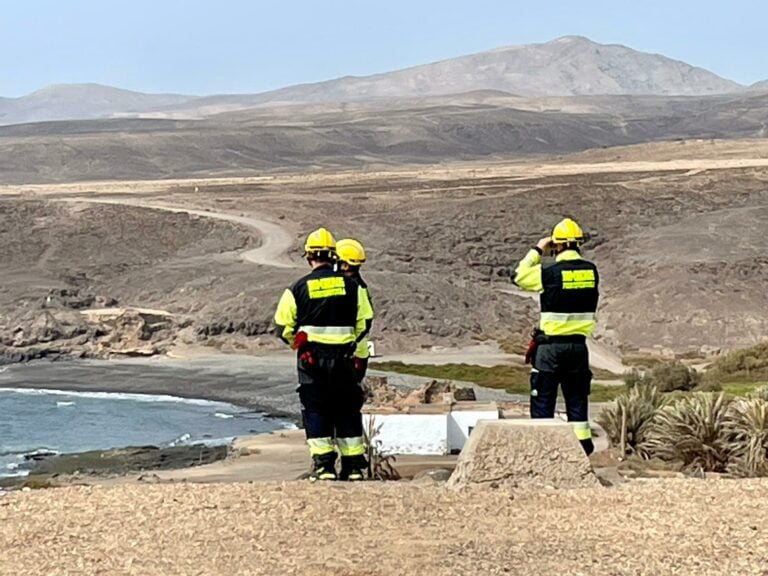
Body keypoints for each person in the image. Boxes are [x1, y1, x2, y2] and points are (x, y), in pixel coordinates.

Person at [273, 227, 374, 481]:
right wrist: (353, 349)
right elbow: (364, 323)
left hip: (312, 364)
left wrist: (300, 345)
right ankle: (353, 468)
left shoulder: (297, 289)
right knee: (347, 411)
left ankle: (324, 467)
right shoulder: (353, 287)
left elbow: (283, 326)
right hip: (345, 362)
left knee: (317, 411)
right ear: (334, 256)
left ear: (309, 258)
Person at [513, 218, 599, 455]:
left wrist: (538, 249)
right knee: (577, 401)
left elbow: (518, 276)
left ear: (556, 246)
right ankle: (582, 448)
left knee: (543, 401)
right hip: (578, 350)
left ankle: (543, 451)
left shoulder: (549, 273)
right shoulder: (591, 271)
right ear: (579, 244)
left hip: (550, 350)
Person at [335, 238, 374, 383]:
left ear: (344, 264)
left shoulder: (355, 288)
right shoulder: (357, 286)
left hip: (352, 353)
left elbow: (365, 321)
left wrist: (348, 345)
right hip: (355, 353)